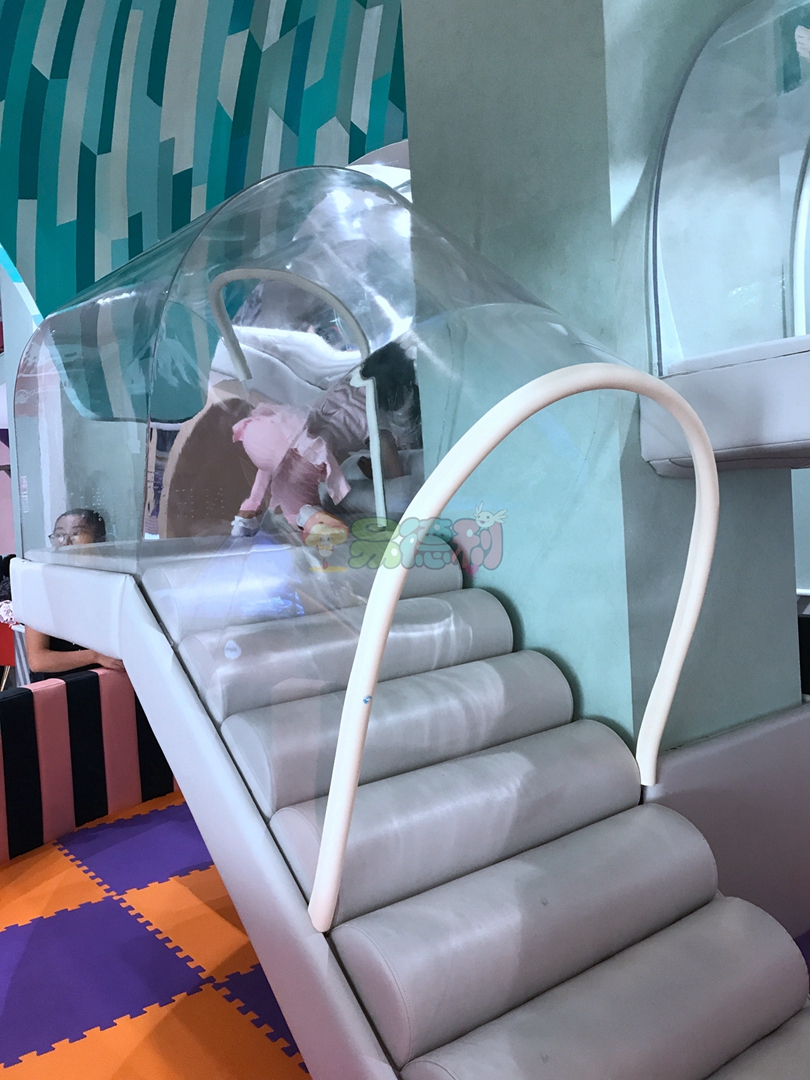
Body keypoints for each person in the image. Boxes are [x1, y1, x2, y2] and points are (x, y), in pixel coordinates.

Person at [25, 509, 124, 679]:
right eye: (59, 535)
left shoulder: (114, 580)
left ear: (101, 541)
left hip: (111, 680)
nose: (66, 542)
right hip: (62, 685)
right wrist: (95, 656)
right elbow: (37, 660)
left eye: (76, 533)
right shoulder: (42, 585)